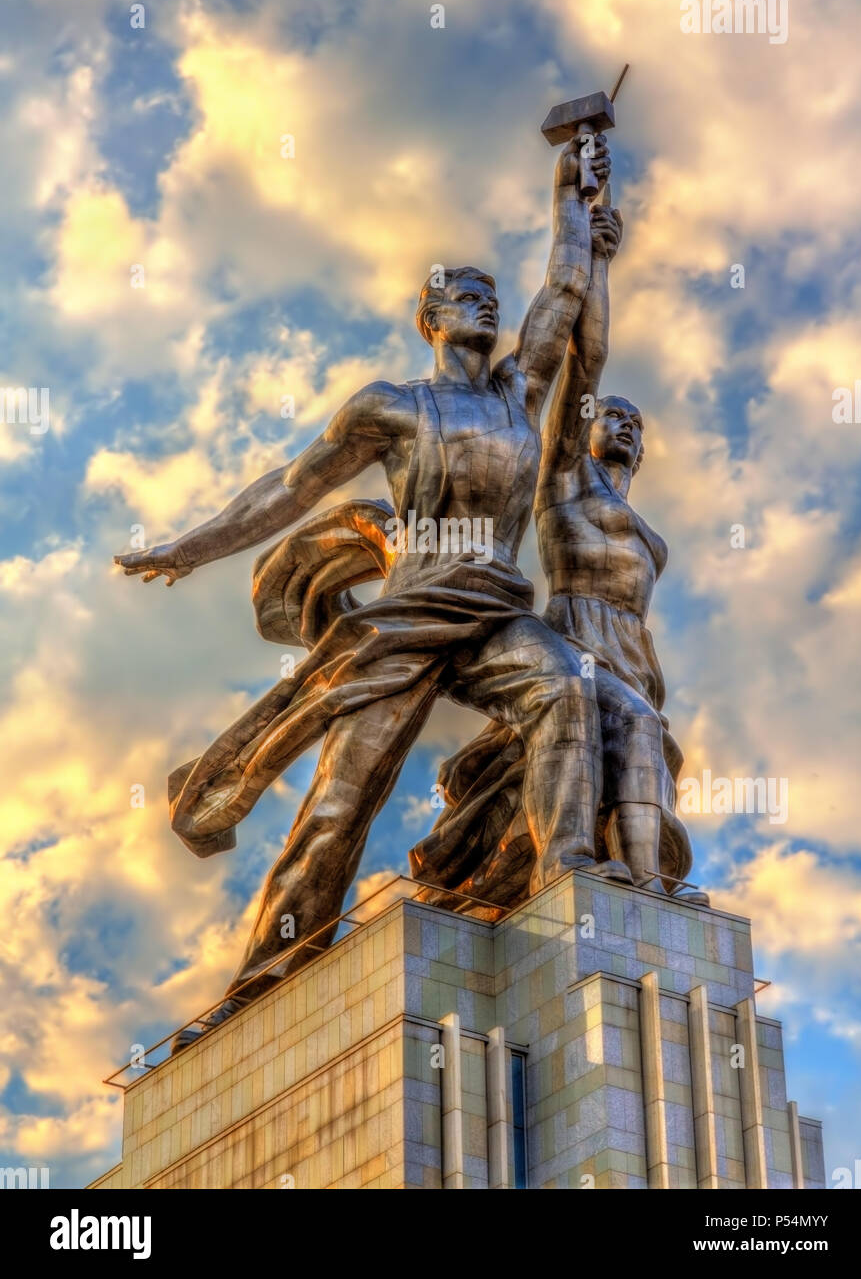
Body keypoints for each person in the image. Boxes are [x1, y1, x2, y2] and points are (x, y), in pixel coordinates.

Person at [116, 136, 627, 1044]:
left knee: (568, 687)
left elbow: (561, 296)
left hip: (491, 611)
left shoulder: (520, 392)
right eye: (465, 295)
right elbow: (289, 486)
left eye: (490, 297)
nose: (487, 304)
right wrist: (194, 546)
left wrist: (573, 204)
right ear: (430, 317)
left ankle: (569, 869)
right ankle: (264, 977)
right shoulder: (390, 406)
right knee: (340, 803)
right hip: (406, 615)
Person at [410, 192, 708, 912]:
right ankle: (566, 864)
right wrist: (597, 257)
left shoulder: (640, 524)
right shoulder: (564, 479)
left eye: (636, 421)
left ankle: (649, 883)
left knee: (639, 731)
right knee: (599, 723)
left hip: (633, 648)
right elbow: (587, 356)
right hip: (579, 632)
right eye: (613, 416)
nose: (626, 425)